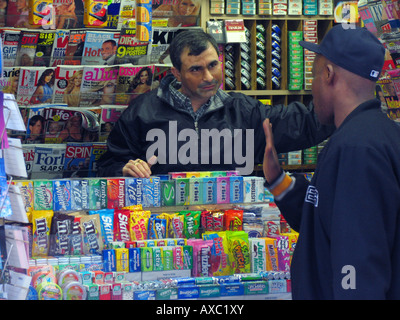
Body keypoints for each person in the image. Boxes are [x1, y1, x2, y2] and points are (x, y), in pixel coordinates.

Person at [262, 25, 400, 299]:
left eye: (313, 76)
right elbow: (329, 223)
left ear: (328, 75)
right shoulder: (377, 133)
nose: (311, 88)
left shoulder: (356, 148)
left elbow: (358, 261)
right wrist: (278, 180)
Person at [97, 29, 334, 178]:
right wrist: (125, 169)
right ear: (176, 73)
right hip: (164, 226)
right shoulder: (144, 110)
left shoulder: (242, 111)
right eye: (196, 70)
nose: (209, 77)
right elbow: (110, 163)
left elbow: (303, 125)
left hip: (228, 226)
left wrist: (346, 96)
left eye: (213, 65)